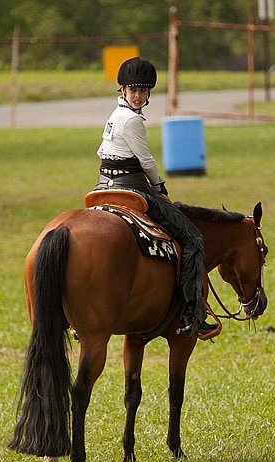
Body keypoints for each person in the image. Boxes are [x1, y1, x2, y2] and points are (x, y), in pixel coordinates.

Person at [95, 56, 217, 338]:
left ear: (148, 92)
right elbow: (147, 161)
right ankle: (192, 312)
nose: (137, 96)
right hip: (132, 186)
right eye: (132, 90)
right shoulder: (131, 121)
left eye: (143, 90)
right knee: (193, 238)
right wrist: (159, 187)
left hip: (103, 185)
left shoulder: (114, 116)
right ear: (122, 90)